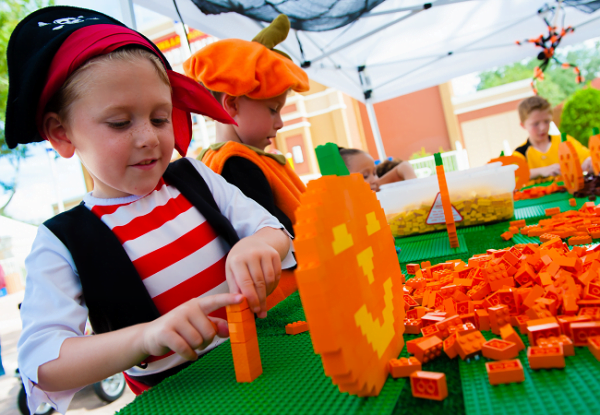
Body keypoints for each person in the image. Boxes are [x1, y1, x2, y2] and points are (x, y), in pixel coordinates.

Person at [8, 7, 294, 414]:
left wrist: (259, 245)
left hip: (269, 362)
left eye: (160, 118)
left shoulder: (196, 178)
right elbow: (43, 362)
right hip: (179, 399)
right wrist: (144, 338)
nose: (148, 138)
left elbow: (273, 229)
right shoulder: (62, 241)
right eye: (121, 123)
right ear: (61, 132)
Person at [183, 15, 309, 238]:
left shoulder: (217, 161)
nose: (279, 123)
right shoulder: (238, 164)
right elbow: (279, 230)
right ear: (232, 104)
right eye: (273, 110)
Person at [513, 95, 592, 179]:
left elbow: (587, 159)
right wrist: (541, 171)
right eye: (535, 124)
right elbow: (514, 175)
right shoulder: (520, 153)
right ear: (523, 125)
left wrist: (589, 163)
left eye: (547, 121)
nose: (543, 127)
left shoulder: (564, 141)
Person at [338, 148, 416, 192]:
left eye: (375, 173)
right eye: (365, 176)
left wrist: (414, 188)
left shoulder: (375, 187)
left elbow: (404, 166)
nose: (374, 180)